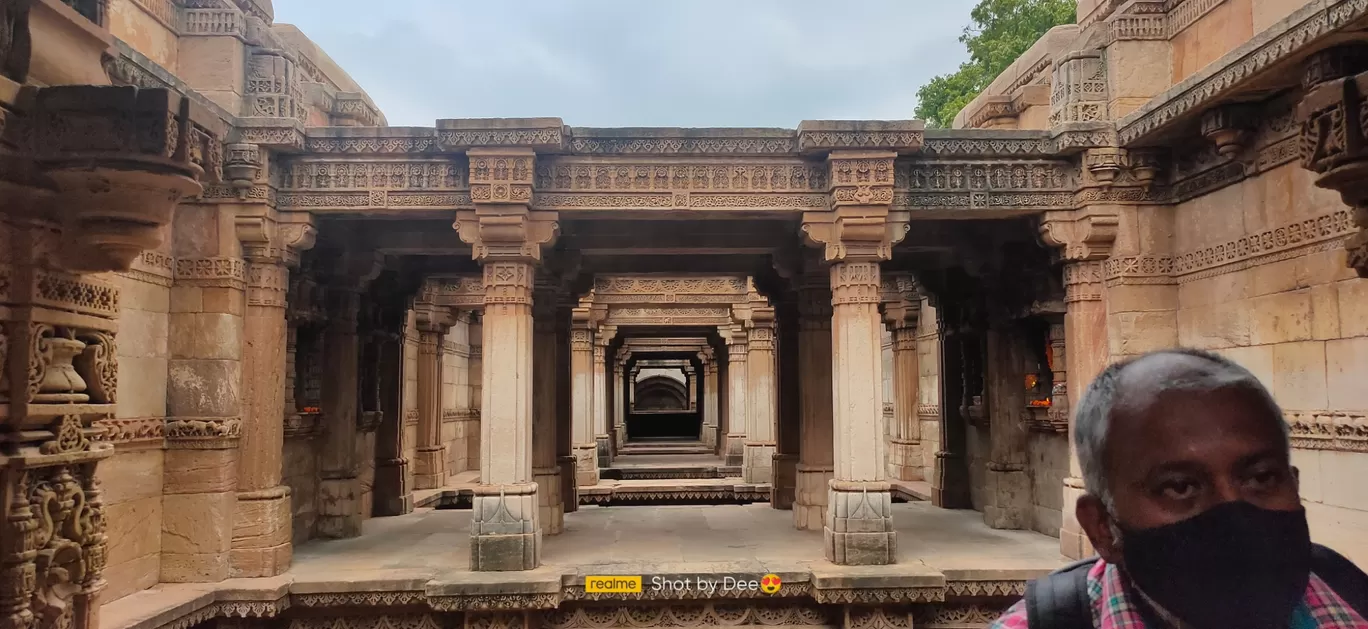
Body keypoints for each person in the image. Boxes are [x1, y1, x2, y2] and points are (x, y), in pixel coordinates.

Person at [989, 348, 1368, 629]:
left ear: (1294, 484)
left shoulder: (1352, 598)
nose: (1233, 512)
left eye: (1261, 478)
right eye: (1181, 487)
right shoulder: (1054, 621)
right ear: (1103, 527)